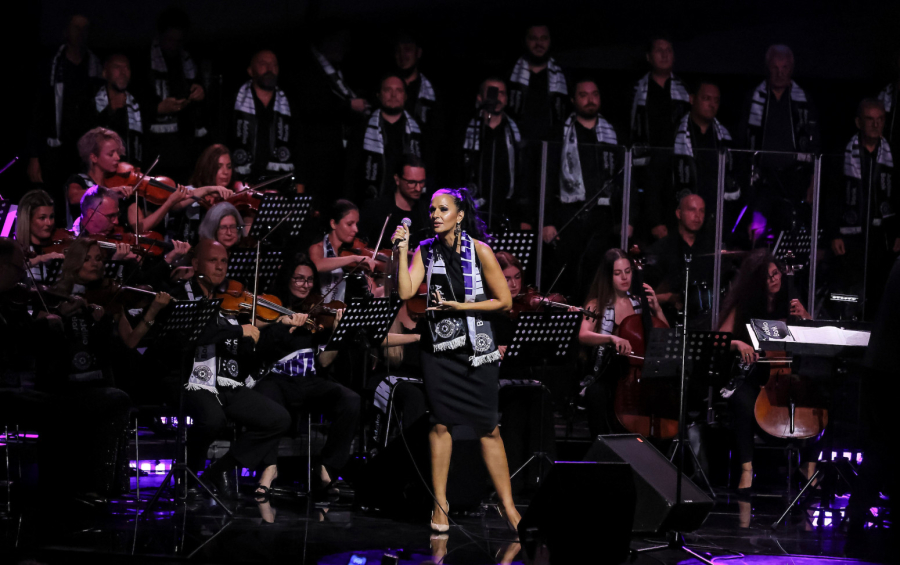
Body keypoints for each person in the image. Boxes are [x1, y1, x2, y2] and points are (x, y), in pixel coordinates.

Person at [394, 187, 521, 532]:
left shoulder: (480, 251)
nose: (435, 215)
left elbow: (505, 301)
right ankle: (440, 504)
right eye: (432, 210)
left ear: (460, 215)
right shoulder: (425, 249)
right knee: (440, 425)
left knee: (488, 428)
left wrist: (460, 307)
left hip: (478, 352)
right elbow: (406, 292)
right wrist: (402, 250)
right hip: (439, 352)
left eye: (443, 209)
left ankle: (509, 507)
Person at [36, 238, 171, 503]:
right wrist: (62, 315)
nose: (95, 264)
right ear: (74, 262)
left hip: (98, 380)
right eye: (87, 258)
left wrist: (153, 310)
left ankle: (100, 485)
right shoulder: (52, 297)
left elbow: (131, 341)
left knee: (116, 397)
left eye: (98, 258)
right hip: (63, 381)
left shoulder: (109, 298)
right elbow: (40, 337)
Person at [161, 239, 292, 498]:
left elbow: (244, 351)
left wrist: (276, 328)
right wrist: (239, 330)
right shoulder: (181, 294)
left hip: (224, 381)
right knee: (212, 420)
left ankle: (218, 470)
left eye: (224, 261)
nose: (220, 267)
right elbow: (198, 335)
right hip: (188, 379)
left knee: (278, 419)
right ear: (196, 262)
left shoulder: (227, 301)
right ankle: (188, 478)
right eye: (213, 260)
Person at [254, 253, 360, 496]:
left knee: (351, 400)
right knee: (266, 400)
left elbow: (324, 362)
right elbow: (261, 349)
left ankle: (327, 467)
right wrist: (283, 324)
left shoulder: (316, 312)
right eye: (299, 279)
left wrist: (337, 335)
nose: (305, 285)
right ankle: (269, 468)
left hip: (309, 380)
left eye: (310, 280)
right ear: (287, 279)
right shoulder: (271, 309)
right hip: (277, 379)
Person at [717, 250, 812, 493]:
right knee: (742, 401)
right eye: (768, 276)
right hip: (755, 375)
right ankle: (747, 468)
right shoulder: (744, 305)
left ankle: (809, 466)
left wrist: (806, 318)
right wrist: (739, 344)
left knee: (820, 400)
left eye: (776, 273)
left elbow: (814, 339)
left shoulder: (790, 303)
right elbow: (719, 340)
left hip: (786, 375)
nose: (775, 279)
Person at [544, 77, 624, 299]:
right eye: (583, 95)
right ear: (572, 100)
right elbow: (548, 177)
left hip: (604, 216)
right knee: (568, 275)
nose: (590, 100)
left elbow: (624, 178)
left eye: (595, 94)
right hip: (570, 215)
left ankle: (594, 317)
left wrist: (626, 219)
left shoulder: (612, 132)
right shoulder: (560, 133)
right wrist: (547, 220)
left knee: (599, 275)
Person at [577, 249, 668, 438]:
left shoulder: (638, 304)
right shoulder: (596, 304)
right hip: (605, 373)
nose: (624, 277)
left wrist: (658, 310)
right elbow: (584, 334)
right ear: (608, 276)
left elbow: (665, 336)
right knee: (596, 393)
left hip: (635, 376)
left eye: (628, 271)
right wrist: (611, 338)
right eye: (618, 273)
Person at [738, 44, 820, 236]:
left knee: (791, 235)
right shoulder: (753, 97)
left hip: (795, 182)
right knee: (757, 235)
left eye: (784, 68)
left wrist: (813, 181)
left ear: (791, 69)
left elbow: (815, 143)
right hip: (761, 182)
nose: (780, 73)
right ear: (768, 68)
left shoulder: (804, 100)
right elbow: (742, 140)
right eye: (775, 67)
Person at [828, 98, 897, 320]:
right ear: (858, 122)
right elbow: (832, 195)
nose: (876, 125)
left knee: (879, 292)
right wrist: (834, 233)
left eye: (880, 119)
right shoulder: (843, 153)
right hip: (850, 237)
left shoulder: (892, 153)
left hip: (881, 236)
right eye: (870, 119)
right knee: (848, 293)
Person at [27, 15, 102, 204]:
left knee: (86, 203)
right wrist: (34, 156)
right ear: (66, 32)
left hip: (84, 154)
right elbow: (38, 112)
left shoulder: (94, 66)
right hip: (54, 152)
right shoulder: (51, 66)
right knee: (53, 202)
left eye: (85, 29)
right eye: (76, 28)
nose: (81, 33)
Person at [68, 127, 189, 233]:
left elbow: (139, 227)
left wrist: (170, 202)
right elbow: (74, 197)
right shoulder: (79, 180)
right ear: (94, 157)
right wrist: (111, 192)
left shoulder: (123, 186)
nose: (117, 157)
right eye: (111, 154)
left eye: (118, 153)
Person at [630, 34, 691, 242]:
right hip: (646, 166)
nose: (665, 55)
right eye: (659, 50)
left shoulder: (684, 90)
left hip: (676, 165)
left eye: (669, 50)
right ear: (648, 56)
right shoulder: (636, 90)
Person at [297, 27, 369, 199]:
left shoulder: (337, 70)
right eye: (340, 43)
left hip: (339, 153)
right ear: (327, 42)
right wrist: (348, 105)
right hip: (318, 154)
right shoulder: (310, 70)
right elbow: (313, 106)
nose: (344, 49)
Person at [673, 80, 742, 239]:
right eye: (706, 98)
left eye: (716, 100)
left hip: (717, 220)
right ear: (692, 99)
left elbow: (737, 177)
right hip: (680, 218)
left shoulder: (726, 137)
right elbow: (658, 177)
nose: (712, 104)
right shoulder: (675, 133)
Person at [145, 7, 208, 181]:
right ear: (160, 36)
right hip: (159, 146)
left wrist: (200, 92)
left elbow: (201, 88)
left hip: (187, 141)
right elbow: (137, 101)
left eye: (178, 40)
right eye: (170, 39)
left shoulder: (189, 59)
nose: (174, 45)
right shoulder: (146, 61)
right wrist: (158, 108)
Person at [231, 50, 304, 191]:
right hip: (241, 182)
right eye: (263, 63)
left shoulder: (289, 103)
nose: (269, 69)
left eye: (274, 64)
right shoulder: (234, 101)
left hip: (280, 184)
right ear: (250, 70)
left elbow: (299, 147)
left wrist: (300, 184)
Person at [345, 75, 423, 202]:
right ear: (379, 95)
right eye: (388, 90)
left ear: (405, 96)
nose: (393, 95)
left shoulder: (419, 132)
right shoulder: (362, 129)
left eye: (398, 90)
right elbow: (350, 172)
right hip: (370, 204)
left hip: (409, 205)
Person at [644, 193, 715, 329]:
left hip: (704, 319)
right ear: (678, 213)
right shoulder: (661, 249)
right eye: (692, 209)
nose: (697, 216)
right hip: (668, 319)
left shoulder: (710, 248)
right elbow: (644, 294)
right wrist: (668, 297)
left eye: (701, 211)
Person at [462, 78, 524, 229]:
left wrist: (524, 215)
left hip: (506, 209)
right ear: (480, 97)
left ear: (507, 99)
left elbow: (524, 173)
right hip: (472, 209)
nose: (496, 97)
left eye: (501, 93)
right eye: (491, 92)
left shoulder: (515, 131)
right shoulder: (467, 128)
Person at [506, 24, 568, 141]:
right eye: (533, 38)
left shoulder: (563, 76)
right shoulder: (510, 74)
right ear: (525, 41)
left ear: (550, 41)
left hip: (552, 144)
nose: (539, 43)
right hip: (515, 143)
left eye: (544, 38)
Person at [358, 153, 429, 247]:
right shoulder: (375, 208)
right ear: (397, 180)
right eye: (412, 182)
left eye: (422, 182)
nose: (418, 188)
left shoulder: (426, 213)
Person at [89, 54, 143, 166]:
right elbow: (88, 141)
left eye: (126, 68)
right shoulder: (92, 103)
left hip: (131, 171)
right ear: (105, 73)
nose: (123, 72)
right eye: (117, 67)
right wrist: (111, 110)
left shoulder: (136, 104)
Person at [15, 189, 65, 282]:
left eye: (51, 216)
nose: (49, 223)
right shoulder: (16, 251)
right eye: (42, 218)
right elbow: (12, 268)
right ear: (28, 219)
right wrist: (40, 258)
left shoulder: (59, 246)